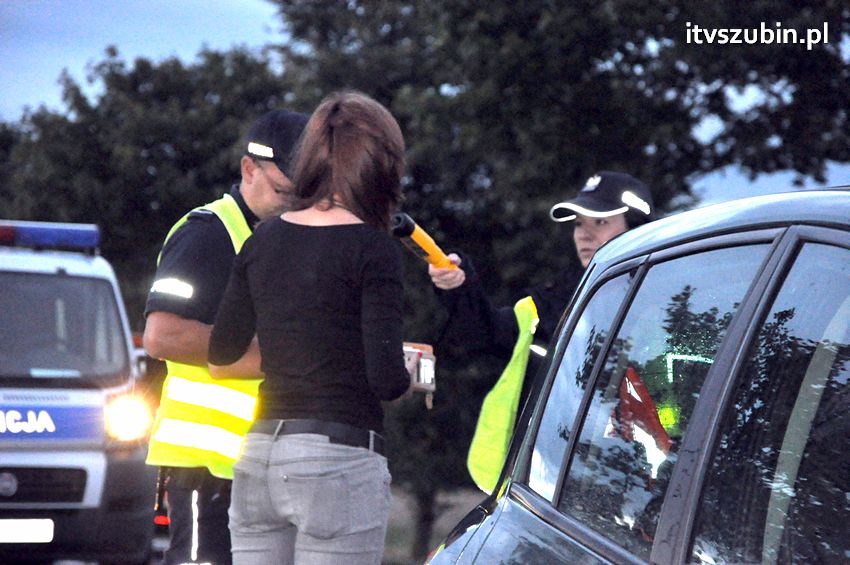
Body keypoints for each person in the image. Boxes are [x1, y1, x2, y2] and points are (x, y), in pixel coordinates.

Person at [207, 91, 414, 565]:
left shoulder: (262, 239)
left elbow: (221, 351)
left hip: (259, 456)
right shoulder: (373, 249)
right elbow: (385, 380)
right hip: (337, 460)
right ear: (383, 165)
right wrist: (409, 376)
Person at [143, 109, 309, 565]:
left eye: (304, 196)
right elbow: (162, 337)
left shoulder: (281, 238)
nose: (292, 204)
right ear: (248, 169)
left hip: (265, 463)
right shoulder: (208, 235)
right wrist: (281, 355)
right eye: (283, 192)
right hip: (206, 466)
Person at [429, 171, 656, 493]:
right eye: (579, 224)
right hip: (547, 486)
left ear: (637, 228)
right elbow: (482, 333)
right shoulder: (556, 302)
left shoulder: (662, 306)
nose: (584, 235)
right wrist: (460, 285)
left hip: (634, 486)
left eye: (600, 223)